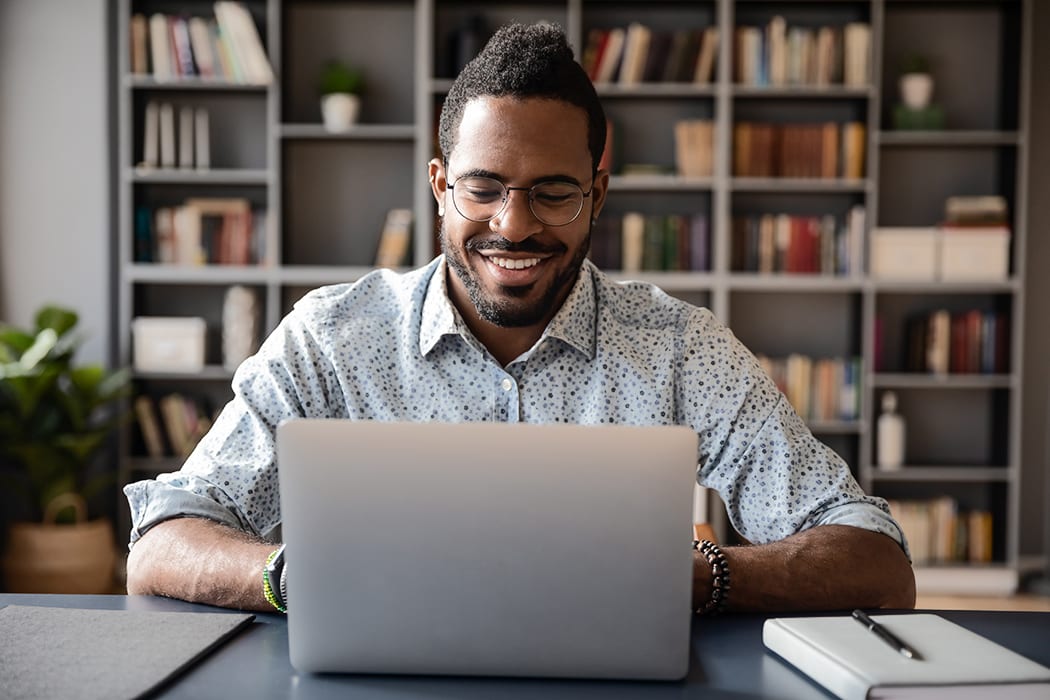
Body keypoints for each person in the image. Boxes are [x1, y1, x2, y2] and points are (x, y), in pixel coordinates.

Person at [125, 23, 915, 614]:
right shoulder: (332, 340)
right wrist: (293, 576)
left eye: (553, 191)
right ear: (440, 186)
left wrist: (709, 577)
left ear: (597, 194)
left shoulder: (680, 348)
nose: (514, 225)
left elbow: (878, 562)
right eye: (484, 186)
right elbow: (162, 541)